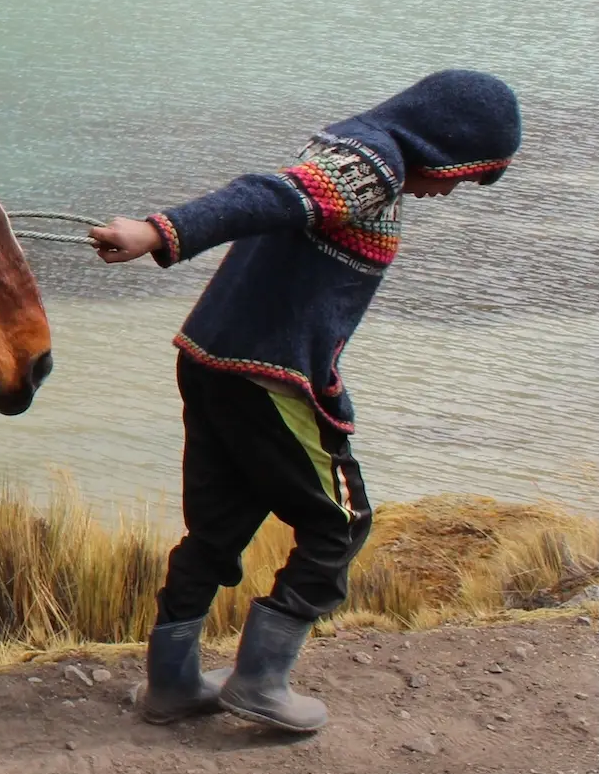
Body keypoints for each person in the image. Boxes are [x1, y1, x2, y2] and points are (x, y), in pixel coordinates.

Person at [89, 70, 520, 733]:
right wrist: (161, 232)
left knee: (217, 528)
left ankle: (172, 684)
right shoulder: (370, 168)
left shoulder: (346, 144)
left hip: (208, 358)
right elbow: (265, 197)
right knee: (338, 524)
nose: (450, 189)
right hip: (268, 376)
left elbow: (280, 203)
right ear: (445, 143)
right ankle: (260, 682)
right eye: (463, 173)